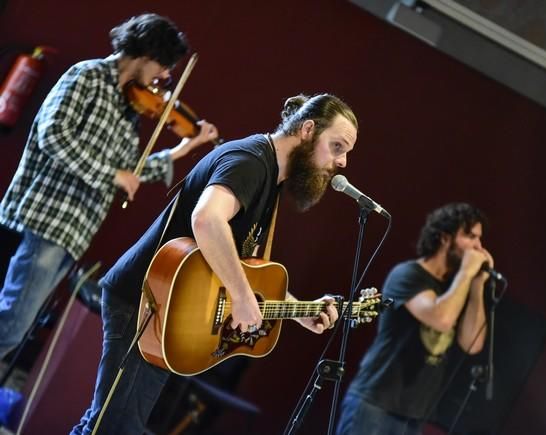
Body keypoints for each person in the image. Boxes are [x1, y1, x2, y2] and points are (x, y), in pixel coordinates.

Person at [71, 92, 358, 434]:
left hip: (170, 309)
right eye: (337, 147)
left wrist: (299, 310)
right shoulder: (251, 160)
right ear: (308, 130)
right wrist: (240, 296)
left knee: (108, 427)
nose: (342, 163)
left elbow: (243, 268)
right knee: (111, 428)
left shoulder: (271, 177)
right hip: (147, 302)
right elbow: (207, 220)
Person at [0, 13, 219, 360]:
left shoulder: (128, 106)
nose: (165, 76)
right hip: (50, 216)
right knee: (9, 326)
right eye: (164, 65)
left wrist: (184, 149)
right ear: (145, 53)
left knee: (14, 327)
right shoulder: (87, 75)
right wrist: (111, 175)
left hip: (74, 230)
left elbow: (127, 171)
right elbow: (54, 135)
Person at [336, 203, 494, 435]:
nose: (478, 248)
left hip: (414, 414)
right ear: (444, 238)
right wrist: (466, 273)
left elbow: (473, 344)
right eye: (470, 237)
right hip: (375, 404)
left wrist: (477, 285)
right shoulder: (408, 275)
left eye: (480, 239)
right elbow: (441, 319)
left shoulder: (455, 288)